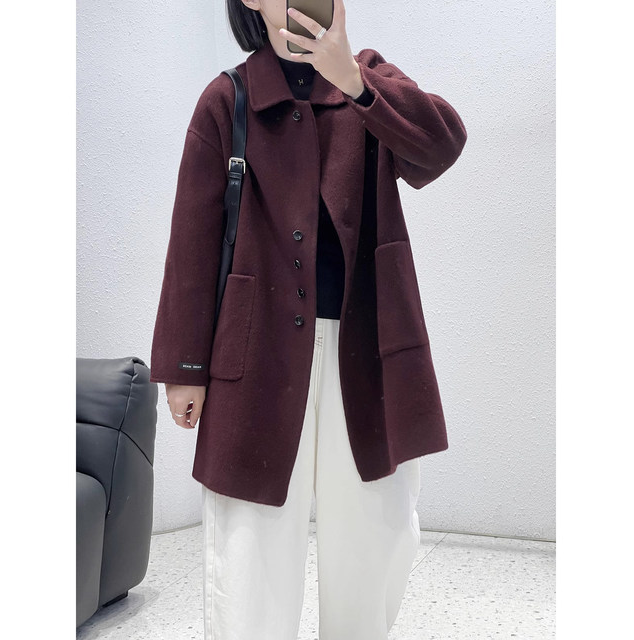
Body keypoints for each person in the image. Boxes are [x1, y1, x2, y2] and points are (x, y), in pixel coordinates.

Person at [150, 0, 467, 638]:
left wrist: (353, 81)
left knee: (373, 543)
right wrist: (185, 366)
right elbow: (193, 238)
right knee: (249, 550)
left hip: (367, 353)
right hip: (255, 355)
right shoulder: (227, 100)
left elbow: (441, 148)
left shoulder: (369, 78)